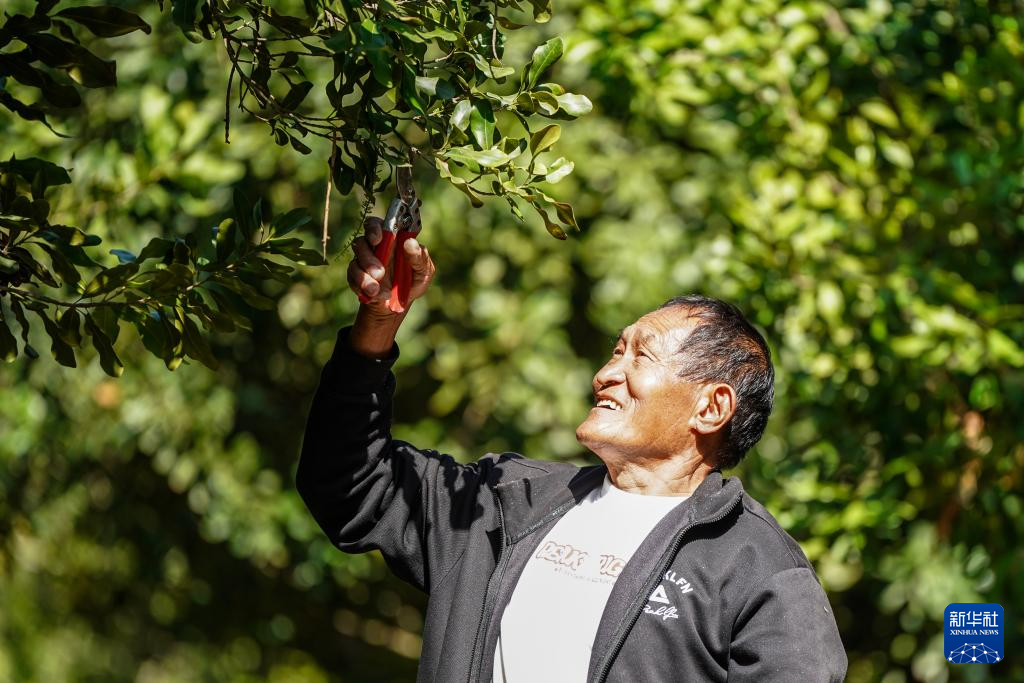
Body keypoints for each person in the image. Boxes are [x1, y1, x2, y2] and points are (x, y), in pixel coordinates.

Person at [296, 217, 848, 682]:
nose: (606, 373)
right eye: (615, 350)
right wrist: (377, 326)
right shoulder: (506, 503)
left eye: (640, 356)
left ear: (710, 408)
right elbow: (350, 484)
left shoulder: (758, 569)